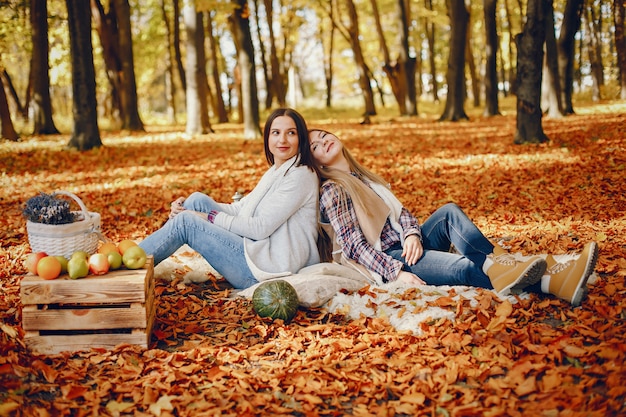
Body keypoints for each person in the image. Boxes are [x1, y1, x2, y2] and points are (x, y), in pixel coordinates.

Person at [309, 128, 598, 306]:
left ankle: (504, 265)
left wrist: (412, 233)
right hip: (390, 258)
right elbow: (353, 247)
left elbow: (402, 213)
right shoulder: (334, 190)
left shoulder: (363, 177)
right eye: (315, 147)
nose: (323, 142)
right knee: (461, 268)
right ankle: (553, 281)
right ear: (316, 163)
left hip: (407, 245)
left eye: (324, 136)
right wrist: (396, 272)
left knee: (447, 212)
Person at [138, 108, 321, 289]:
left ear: (300, 139)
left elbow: (260, 228)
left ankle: (129, 263)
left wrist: (206, 217)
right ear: (267, 138)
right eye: (276, 133)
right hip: (258, 254)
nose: (282, 139)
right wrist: (188, 208)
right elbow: (240, 208)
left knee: (187, 222)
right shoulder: (278, 170)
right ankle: (144, 250)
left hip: (266, 271)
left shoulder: (300, 175)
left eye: (291, 133)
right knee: (196, 200)